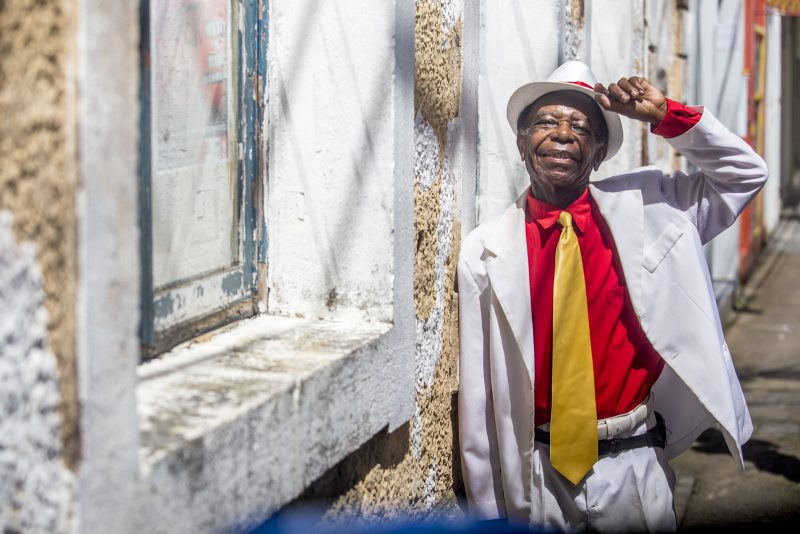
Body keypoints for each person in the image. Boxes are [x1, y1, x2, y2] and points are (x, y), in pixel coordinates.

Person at [457, 60, 767, 531]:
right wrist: (487, 517)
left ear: (599, 153)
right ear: (521, 144)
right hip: (539, 475)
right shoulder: (485, 250)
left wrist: (667, 115)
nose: (562, 134)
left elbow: (744, 174)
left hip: (635, 464)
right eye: (545, 122)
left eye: (580, 127)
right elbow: (479, 403)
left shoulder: (651, 208)